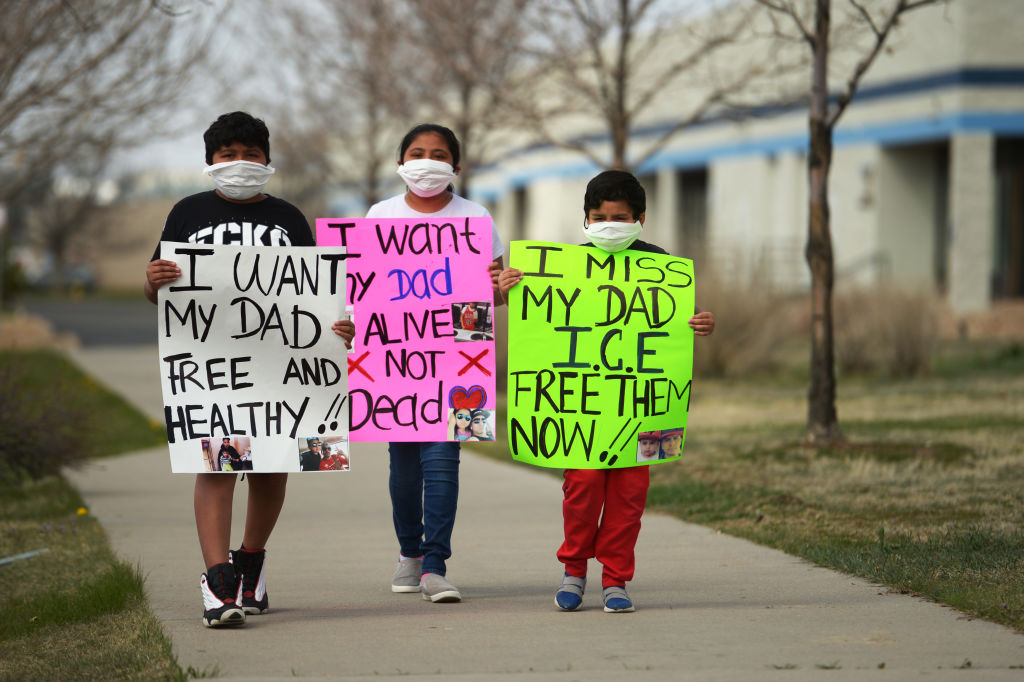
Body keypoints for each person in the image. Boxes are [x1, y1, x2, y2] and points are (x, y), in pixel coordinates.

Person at [144, 111, 355, 628]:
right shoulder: (186, 212)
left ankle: (250, 564)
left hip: (283, 370)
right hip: (214, 370)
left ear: (267, 159)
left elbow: (318, 293)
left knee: (272, 466)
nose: (239, 164)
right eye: (227, 155)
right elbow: (159, 293)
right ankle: (217, 581)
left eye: (250, 155)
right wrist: (152, 280)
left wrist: (338, 327)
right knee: (217, 466)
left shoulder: (289, 218)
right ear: (210, 162)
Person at [498, 169, 715, 613]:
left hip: (645, 410)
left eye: (618, 216)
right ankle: (574, 569)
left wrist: (700, 322)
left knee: (630, 496)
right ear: (585, 218)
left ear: (641, 218)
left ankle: (616, 578)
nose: (607, 224)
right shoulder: (561, 268)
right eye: (598, 216)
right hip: (583, 415)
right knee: (583, 486)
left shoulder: (661, 266)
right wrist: (506, 288)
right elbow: (528, 317)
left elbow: (676, 322)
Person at [366, 123, 505, 603]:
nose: (427, 161)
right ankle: (409, 553)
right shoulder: (380, 216)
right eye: (418, 152)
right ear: (401, 163)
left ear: (456, 167)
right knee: (403, 468)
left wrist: (499, 291)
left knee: (443, 461)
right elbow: (364, 292)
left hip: (458, 360)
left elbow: (492, 295)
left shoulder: (477, 217)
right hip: (395, 360)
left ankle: (434, 565)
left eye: (439, 153)